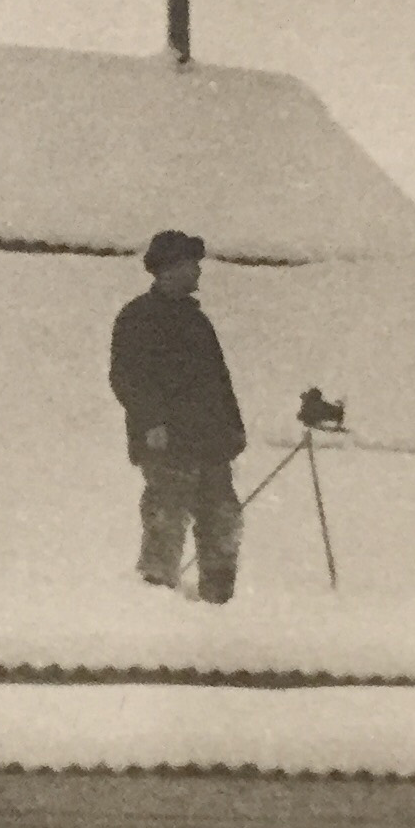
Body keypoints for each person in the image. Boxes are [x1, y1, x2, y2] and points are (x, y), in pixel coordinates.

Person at [108, 229, 247, 603]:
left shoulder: (197, 321)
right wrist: (152, 422)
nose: (198, 273)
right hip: (167, 442)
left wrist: (233, 430)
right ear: (169, 269)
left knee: (222, 521)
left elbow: (218, 381)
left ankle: (219, 601)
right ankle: (155, 603)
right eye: (191, 265)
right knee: (166, 522)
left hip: (210, 443)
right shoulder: (137, 317)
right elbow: (126, 378)